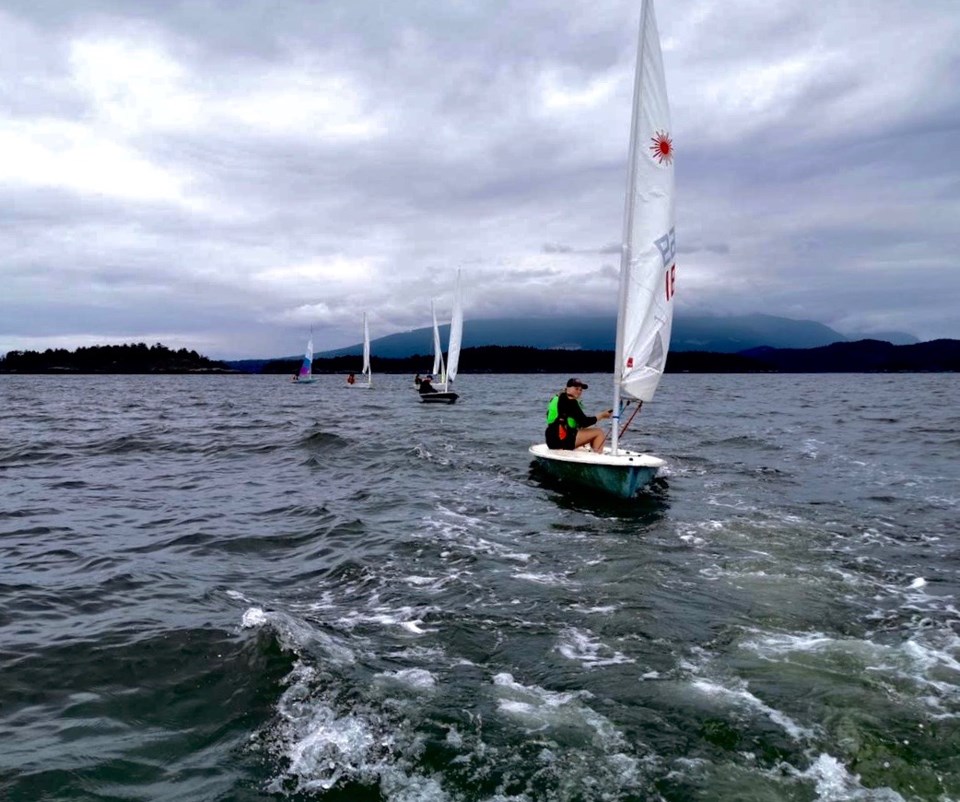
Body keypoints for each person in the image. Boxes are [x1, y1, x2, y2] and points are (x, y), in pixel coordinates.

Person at [544, 378, 613, 452]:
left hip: (550, 440)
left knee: (586, 431)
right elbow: (585, 422)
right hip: (561, 441)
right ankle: (597, 457)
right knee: (598, 432)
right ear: (568, 388)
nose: (579, 391)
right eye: (576, 389)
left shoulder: (557, 398)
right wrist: (602, 415)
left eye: (580, 390)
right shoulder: (570, 402)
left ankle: (593, 452)